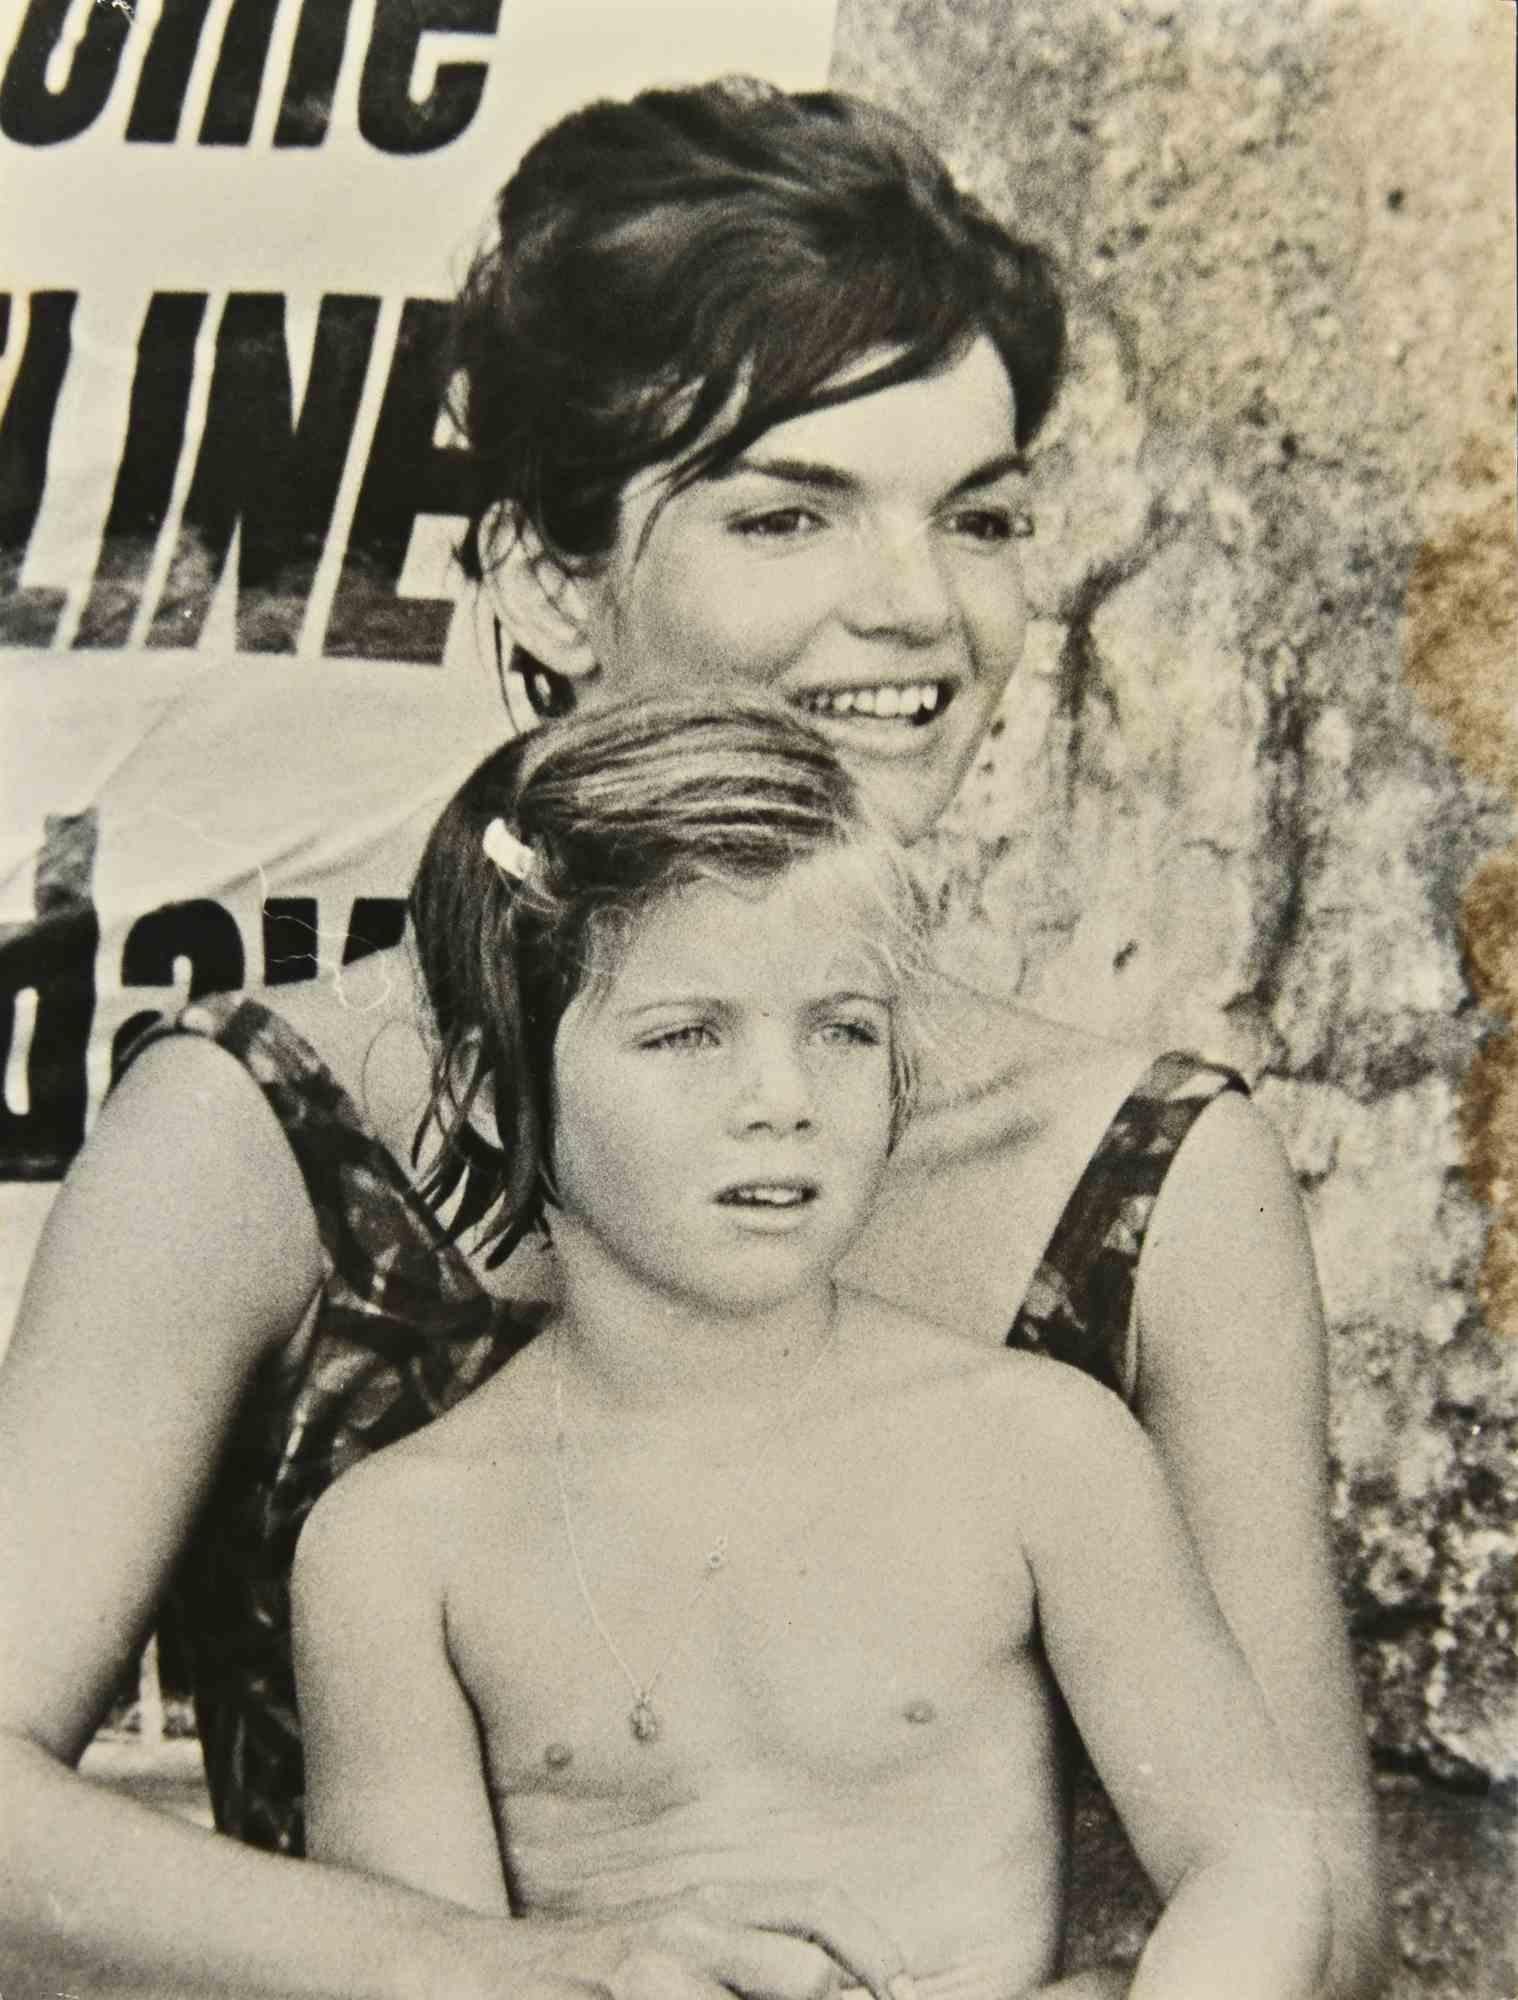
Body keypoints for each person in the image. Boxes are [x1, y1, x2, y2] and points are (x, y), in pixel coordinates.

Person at [0, 78, 1385, 2000]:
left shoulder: (1141, 1173)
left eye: (974, 513)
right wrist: (498, 1976)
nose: (917, 612)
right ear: (548, 577)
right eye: (784, 510)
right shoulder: (257, 1128)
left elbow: (1313, 1903)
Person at [293, 690, 1332, 2000]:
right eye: (686, 1034)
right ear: (492, 1093)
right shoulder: (399, 1546)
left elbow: (1253, 1860)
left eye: (841, 1028)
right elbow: (418, 1969)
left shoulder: (1030, 1446)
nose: (781, 1103)